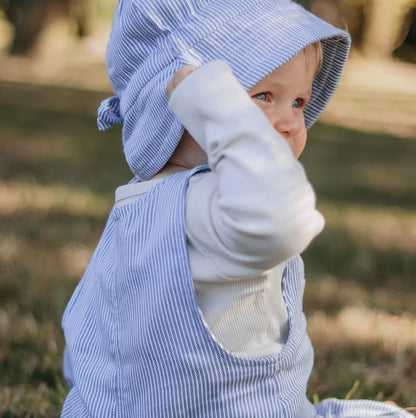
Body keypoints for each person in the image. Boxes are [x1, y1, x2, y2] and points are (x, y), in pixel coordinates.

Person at [61, 0, 413, 416]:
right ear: (189, 102)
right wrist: (216, 105)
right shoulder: (213, 208)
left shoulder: (135, 207)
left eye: (299, 102)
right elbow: (286, 216)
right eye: (262, 95)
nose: (291, 122)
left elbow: (93, 340)